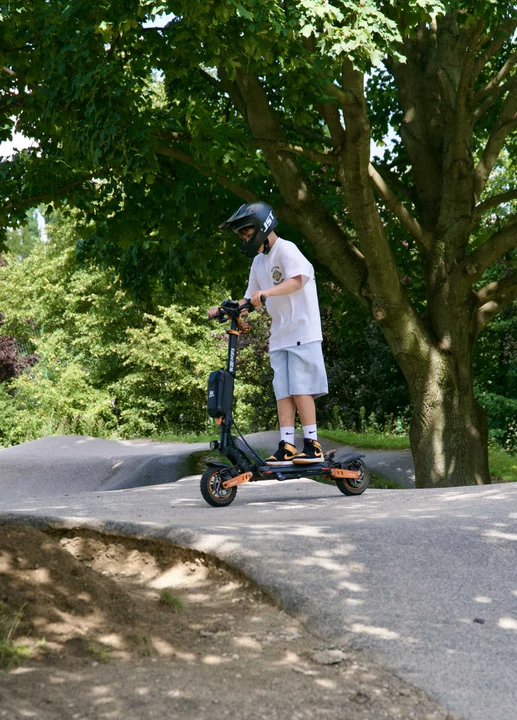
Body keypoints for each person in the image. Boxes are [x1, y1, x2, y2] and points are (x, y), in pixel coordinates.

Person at [209, 201, 328, 465]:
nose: (246, 241)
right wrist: (224, 309)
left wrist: (266, 294)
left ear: (262, 227)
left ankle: (313, 445)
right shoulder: (258, 263)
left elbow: (298, 279)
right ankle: (286, 445)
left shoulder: (286, 250)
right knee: (283, 392)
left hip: (303, 330)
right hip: (280, 336)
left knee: (301, 389)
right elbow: (250, 299)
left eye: (247, 235)